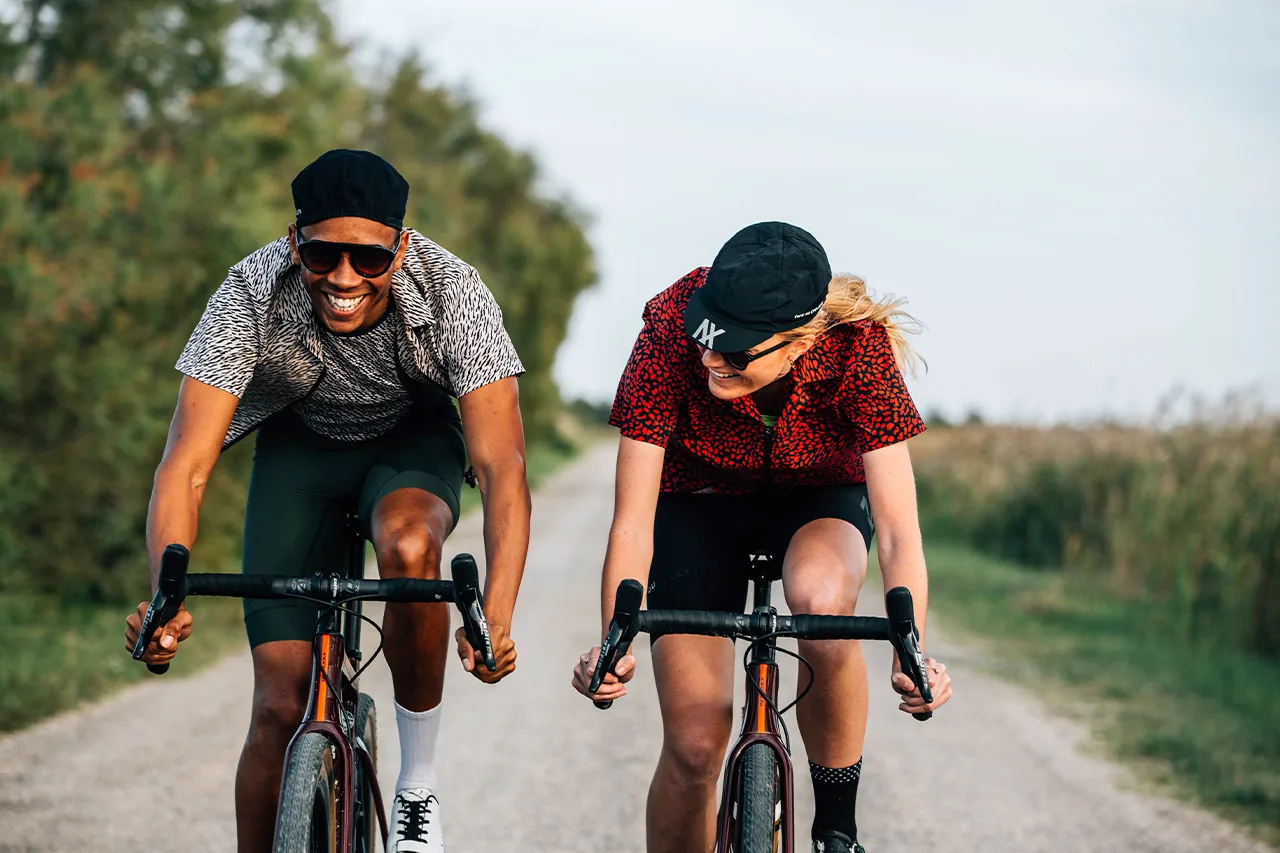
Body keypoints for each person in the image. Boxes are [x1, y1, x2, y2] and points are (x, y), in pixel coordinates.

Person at [124, 149, 531, 853]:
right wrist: (165, 595)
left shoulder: (456, 290)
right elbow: (185, 464)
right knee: (279, 707)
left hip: (412, 443)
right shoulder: (250, 290)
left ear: (401, 248)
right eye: (322, 256)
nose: (343, 278)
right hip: (299, 448)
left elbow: (502, 465)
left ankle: (418, 786)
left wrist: (494, 615)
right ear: (293, 242)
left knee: (410, 548)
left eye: (368, 260)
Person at [570, 221, 954, 853]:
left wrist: (910, 652)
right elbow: (633, 521)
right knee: (694, 745)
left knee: (822, 598)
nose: (710, 359)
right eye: (707, 337)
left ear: (800, 341)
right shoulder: (668, 327)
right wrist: (614, 640)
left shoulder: (859, 347)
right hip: (696, 503)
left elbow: (896, 531)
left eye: (737, 350)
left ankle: (836, 830)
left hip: (816, 500)